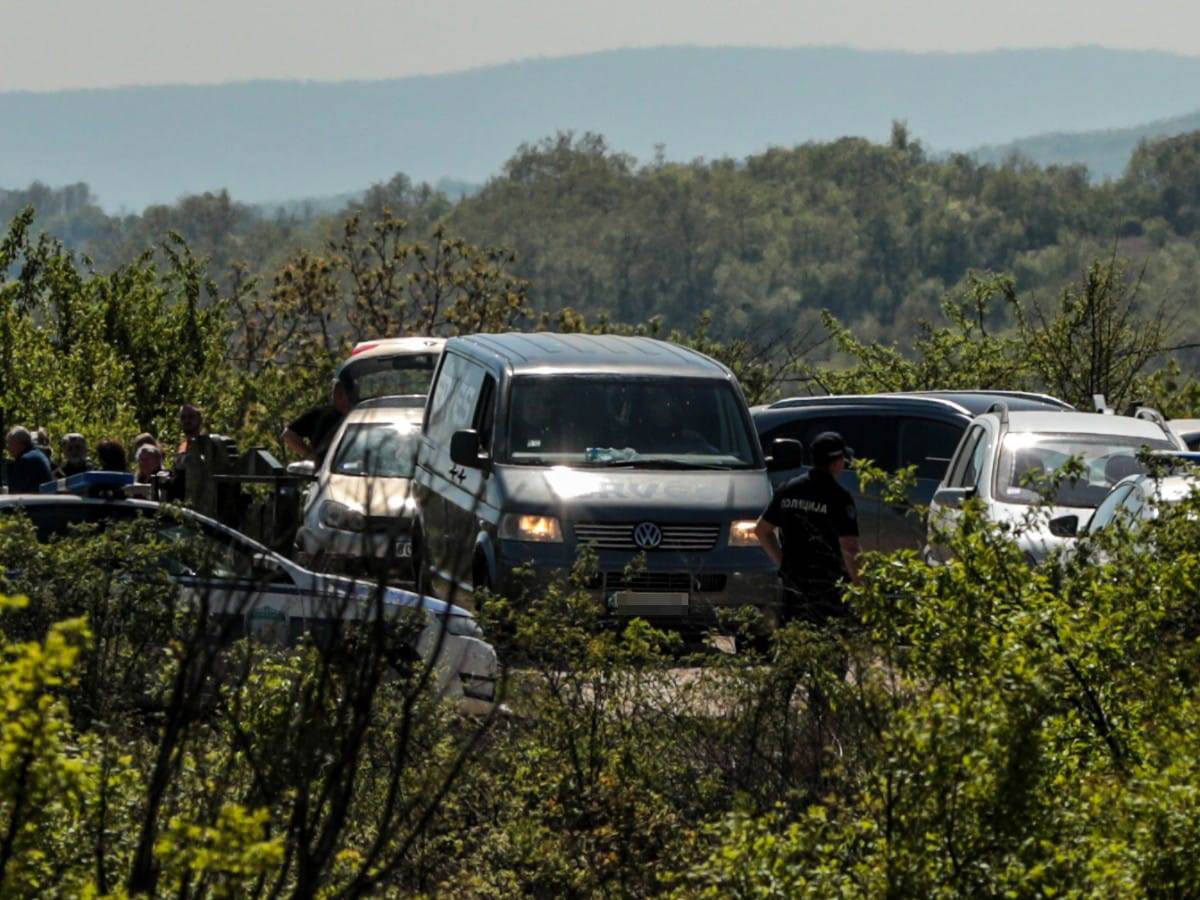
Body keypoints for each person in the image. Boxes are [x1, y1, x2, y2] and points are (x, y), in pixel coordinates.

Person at [755, 431, 861, 626]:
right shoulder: (839, 497)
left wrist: (783, 563)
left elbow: (761, 530)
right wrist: (861, 586)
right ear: (837, 462)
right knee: (828, 644)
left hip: (793, 585)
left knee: (795, 641)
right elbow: (850, 547)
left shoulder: (788, 489)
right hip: (828, 587)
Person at [282, 377, 355, 466]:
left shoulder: (365, 416)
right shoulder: (319, 415)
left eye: (349, 394)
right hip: (325, 472)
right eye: (339, 394)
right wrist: (310, 456)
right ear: (333, 395)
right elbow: (288, 435)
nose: (345, 399)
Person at [173, 404, 229, 518]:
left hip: (205, 511)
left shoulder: (210, 446)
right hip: (184, 510)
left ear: (199, 420)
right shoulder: (182, 447)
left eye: (191, 417)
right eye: (183, 417)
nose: (187, 421)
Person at [5, 426, 53, 494]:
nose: (8, 447)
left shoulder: (25, 461)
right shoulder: (38, 454)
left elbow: (15, 492)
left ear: (19, 443)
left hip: (33, 503)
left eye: (9, 443)